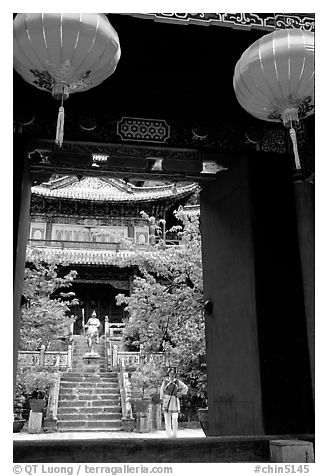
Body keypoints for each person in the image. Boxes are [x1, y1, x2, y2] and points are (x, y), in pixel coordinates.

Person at [160, 368, 188, 438]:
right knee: (167, 419)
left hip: (174, 400)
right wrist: (162, 399)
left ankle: (175, 434)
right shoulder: (165, 382)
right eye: (170, 373)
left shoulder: (177, 382)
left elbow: (185, 388)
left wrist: (180, 393)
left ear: (175, 374)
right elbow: (161, 391)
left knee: (175, 418)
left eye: (173, 374)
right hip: (167, 400)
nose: (172, 375)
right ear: (169, 374)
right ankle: (169, 435)